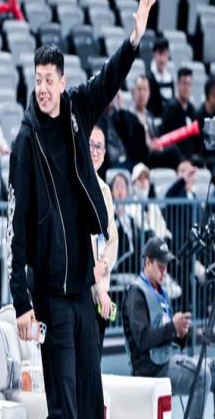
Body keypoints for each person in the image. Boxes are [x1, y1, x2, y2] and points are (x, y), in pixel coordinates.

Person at [7, 0, 157, 417]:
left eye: (49, 81)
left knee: (91, 401)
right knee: (65, 405)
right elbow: (16, 226)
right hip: (50, 294)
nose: (42, 89)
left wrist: (134, 40)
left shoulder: (76, 110)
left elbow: (109, 79)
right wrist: (22, 301)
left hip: (83, 291)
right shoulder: (25, 142)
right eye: (37, 81)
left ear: (62, 82)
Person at [122, 237, 215, 419]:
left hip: (169, 360)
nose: (165, 272)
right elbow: (142, 340)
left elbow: (170, 338)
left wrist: (180, 334)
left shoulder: (162, 293)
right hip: (150, 369)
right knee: (202, 376)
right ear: (147, 262)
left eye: (166, 266)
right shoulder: (136, 294)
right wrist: (172, 327)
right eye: (160, 266)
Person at [89, 126, 118, 350]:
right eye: (90, 145)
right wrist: (98, 287)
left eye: (99, 147)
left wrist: (105, 263)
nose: (95, 151)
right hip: (85, 290)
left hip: (102, 293)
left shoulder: (105, 190)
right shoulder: (75, 185)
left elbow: (112, 239)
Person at [164, 160, 199, 311]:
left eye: (190, 173)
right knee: (186, 275)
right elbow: (168, 195)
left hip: (196, 249)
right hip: (180, 250)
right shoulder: (175, 195)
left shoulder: (194, 196)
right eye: (183, 172)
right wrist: (183, 179)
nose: (188, 176)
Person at [131, 75, 182, 169]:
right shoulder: (128, 115)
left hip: (154, 153)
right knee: (174, 151)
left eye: (145, 89)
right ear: (133, 92)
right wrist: (149, 147)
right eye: (139, 89)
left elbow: (154, 136)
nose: (142, 93)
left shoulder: (149, 115)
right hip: (141, 156)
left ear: (149, 92)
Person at [161, 67, 198, 160]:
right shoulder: (171, 108)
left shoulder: (192, 109)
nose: (186, 88)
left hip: (191, 155)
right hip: (176, 157)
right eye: (184, 83)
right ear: (177, 84)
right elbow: (169, 139)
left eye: (189, 84)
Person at [111, 172, 144, 276]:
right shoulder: (109, 216)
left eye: (123, 186)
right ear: (111, 191)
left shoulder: (131, 218)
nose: (120, 190)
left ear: (126, 191)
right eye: (117, 186)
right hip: (119, 260)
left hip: (134, 259)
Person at [146, 37, 174, 119]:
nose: (162, 59)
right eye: (159, 54)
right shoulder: (148, 78)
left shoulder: (170, 79)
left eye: (164, 54)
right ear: (154, 54)